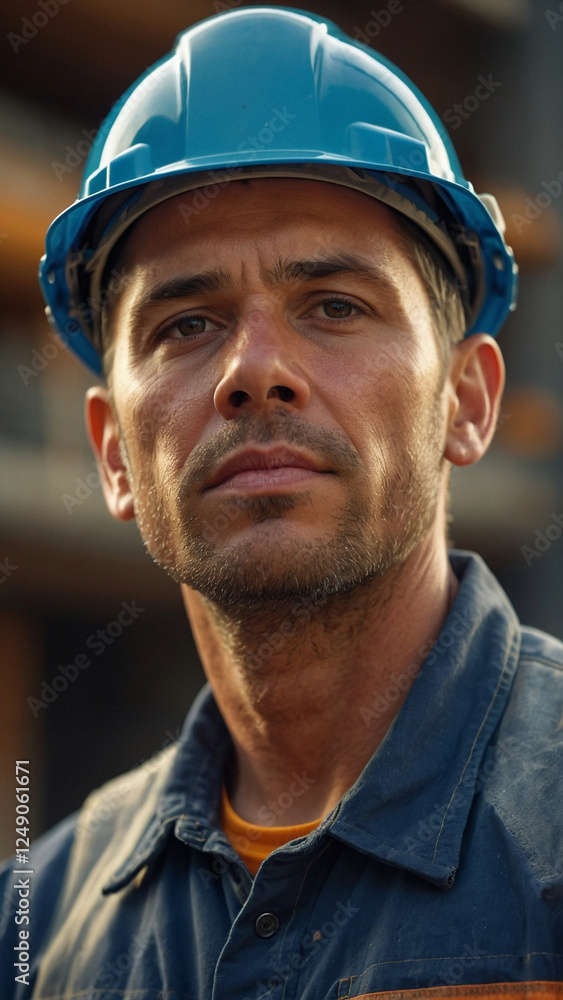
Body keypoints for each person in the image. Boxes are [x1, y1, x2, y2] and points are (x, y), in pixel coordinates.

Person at [1, 7, 561, 999]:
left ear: (466, 403)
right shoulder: (40, 931)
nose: (254, 371)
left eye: (334, 306)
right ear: (112, 454)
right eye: (186, 322)